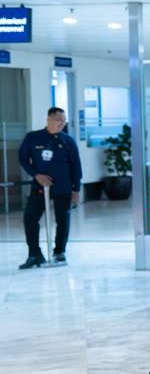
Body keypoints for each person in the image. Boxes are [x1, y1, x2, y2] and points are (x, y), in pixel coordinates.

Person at [18, 106, 82, 269]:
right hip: (40, 186)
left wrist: (76, 190)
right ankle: (35, 254)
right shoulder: (33, 138)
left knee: (62, 220)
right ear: (49, 119)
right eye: (58, 120)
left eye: (63, 121)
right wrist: (36, 175)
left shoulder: (68, 141)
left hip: (63, 187)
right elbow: (24, 160)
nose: (62, 124)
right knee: (30, 218)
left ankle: (59, 252)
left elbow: (76, 167)